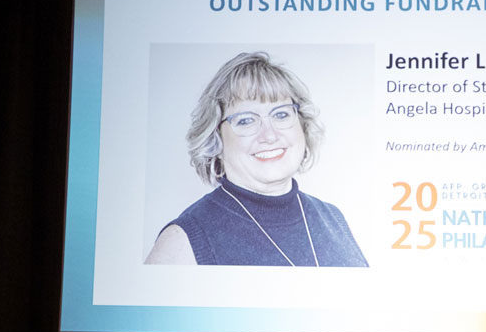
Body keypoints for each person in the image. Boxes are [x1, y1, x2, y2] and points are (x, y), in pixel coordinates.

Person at [145, 52, 367, 266]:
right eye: (245, 121)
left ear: (302, 124)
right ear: (216, 139)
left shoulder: (333, 219)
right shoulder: (181, 242)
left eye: (281, 114)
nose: (269, 136)